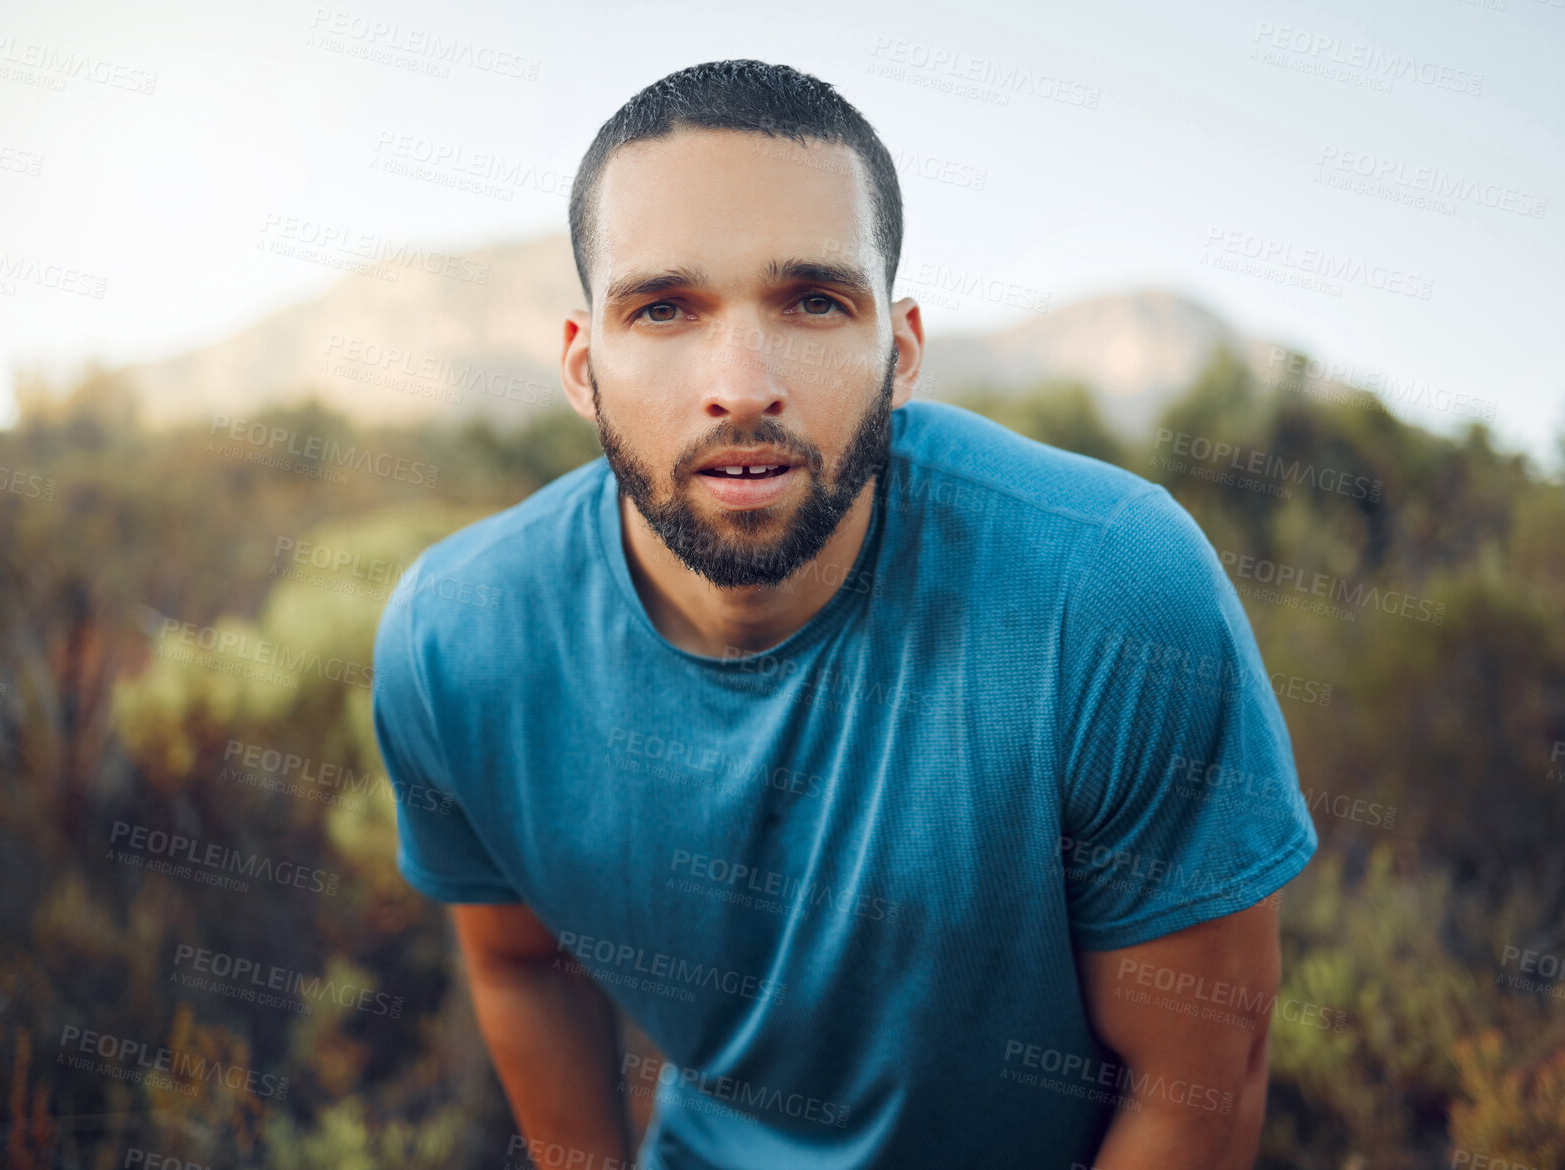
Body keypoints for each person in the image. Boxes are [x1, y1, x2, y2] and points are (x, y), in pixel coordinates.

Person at [372, 58, 1317, 1170]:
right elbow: (518, 963)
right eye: (664, 308)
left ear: (900, 350)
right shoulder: (456, 641)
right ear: (583, 366)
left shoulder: (1107, 593)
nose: (740, 383)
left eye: (813, 301)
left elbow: (1195, 1089)